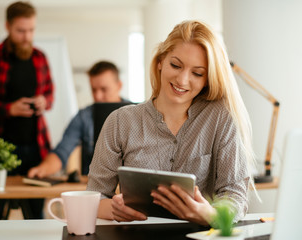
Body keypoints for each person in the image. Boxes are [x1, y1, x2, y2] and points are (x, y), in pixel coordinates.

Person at [86, 20, 255, 226]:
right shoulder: (120, 121)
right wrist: (114, 209)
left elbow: (235, 196)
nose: (182, 80)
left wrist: (209, 214)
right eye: (175, 65)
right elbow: (94, 198)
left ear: (207, 79)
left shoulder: (220, 118)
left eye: (197, 73)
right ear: (160, 61)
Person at [0, 1, 53, 220]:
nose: (27, 36)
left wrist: (44, 101)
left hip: (36, 147)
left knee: (36, 213)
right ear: (8, 26)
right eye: (21, 31)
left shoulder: (40, 58)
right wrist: (8, 109)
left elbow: (50, 94)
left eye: (31, 30)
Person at [28, 61, 131, 178]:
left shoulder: (136, 113)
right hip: (93, 187)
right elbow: (62, 150)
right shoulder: (83, 116)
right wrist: (43, 169)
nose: (97, 96)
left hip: (130, 186)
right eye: (93, 90)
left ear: (119, 86)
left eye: (104, 89)